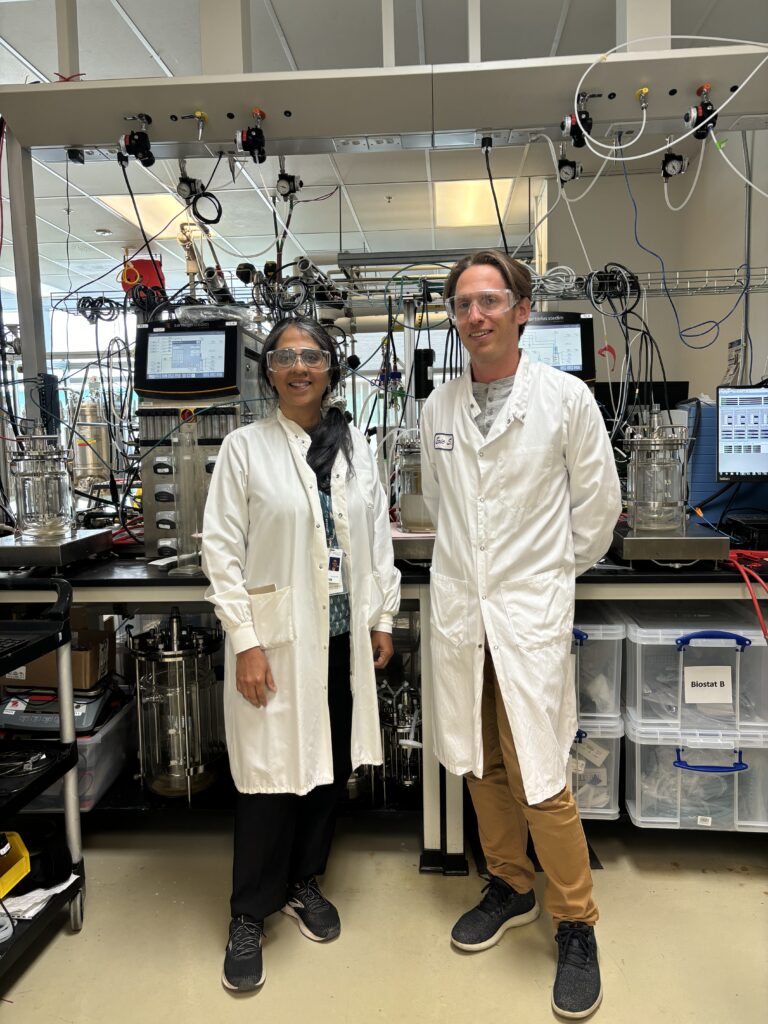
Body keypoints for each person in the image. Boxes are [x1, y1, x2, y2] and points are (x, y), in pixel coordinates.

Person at [420, 249, 621, 1020]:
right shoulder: (437, 409)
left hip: (528, 619)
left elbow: (597, 514)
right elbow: (441, 505)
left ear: (522, 309)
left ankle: (576, 923)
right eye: (464, 304)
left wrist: (540, 579)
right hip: (463, 619)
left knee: (541, 773)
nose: (476, 316)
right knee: (480, 762)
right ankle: (509, 883)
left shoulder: (566, 400)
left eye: (490, 301)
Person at [202, 316, 400, 993]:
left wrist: (381, 617)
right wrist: (246, 642)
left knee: (325, 768)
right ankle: (248, 911)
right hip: (278, 644)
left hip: (341, 640)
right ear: (269, 372)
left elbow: (375, 538)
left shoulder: (353, 448)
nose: (298, 367)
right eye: (284, 356)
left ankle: (303, 882)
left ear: (329, 368)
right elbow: (220, 552)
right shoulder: (244, 448)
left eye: (310, 355)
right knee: (266, 777)